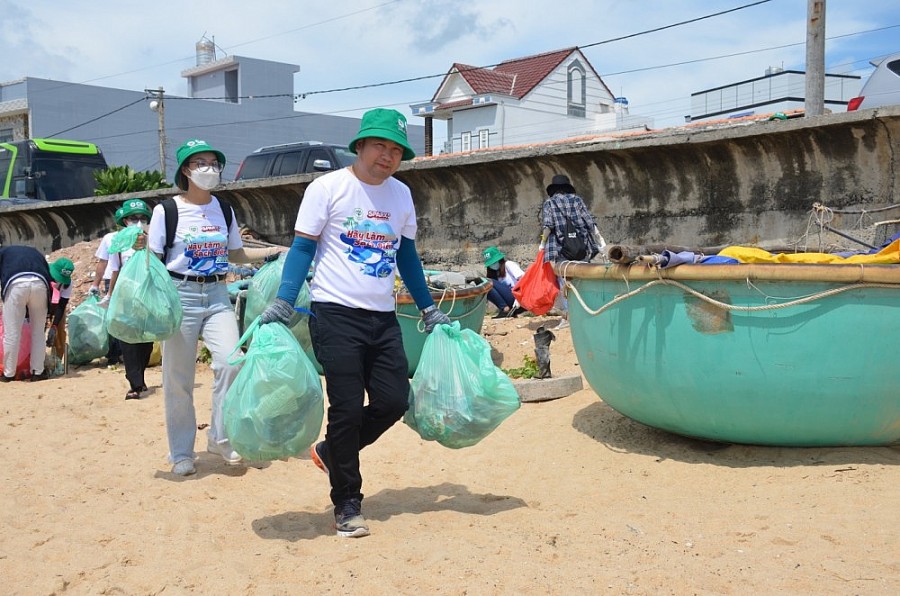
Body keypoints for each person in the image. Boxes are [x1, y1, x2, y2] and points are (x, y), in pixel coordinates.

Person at [260, 108, 451, 538]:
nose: (388, 155)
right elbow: (303, 248)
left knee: (394, 401)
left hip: (383, 318)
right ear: (361, 145)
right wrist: (284, 302)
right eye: (380, 145)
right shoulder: (328, 188)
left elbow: (406, 256)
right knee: (345, 409)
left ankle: (332, 452)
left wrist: (427, 307)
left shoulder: (401, 195)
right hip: (335, 315)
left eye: (396, 149)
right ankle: (347, 501)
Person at [146, 139, 283, 477]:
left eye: (213, 162)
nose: (209, 169)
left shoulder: (224, 209)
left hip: (219, 294)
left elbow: (235, 254)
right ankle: (180, 451)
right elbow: (152, 260)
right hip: (180, 295)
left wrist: (274, 251)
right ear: (185, 171)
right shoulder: (167, 211)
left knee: (231, 361)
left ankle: (220, 438)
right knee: (178, 378)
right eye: (200, 163)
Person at [1, 246, 73, 382]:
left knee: (12, 333)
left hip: (16, 285)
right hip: (40, 286)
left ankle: (8, 374)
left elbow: (60, 305)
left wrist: (54, 326)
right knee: (38, 332)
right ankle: (37, 372)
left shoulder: (4, 254)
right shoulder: (36, 254)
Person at [106, 199, 155, 400]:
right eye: (133, 218)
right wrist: (109, 295)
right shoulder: (117, 242)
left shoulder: (154, 239)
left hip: (148, 293)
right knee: (128, 339)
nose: (138, 222)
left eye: (142, 218)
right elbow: (114, 270)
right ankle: (134, 384)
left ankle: (140, 377)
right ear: (124, 220)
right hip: (126, 295)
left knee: (146, 339)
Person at [540, 174, 601, 329]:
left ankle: (568, 317)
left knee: (565, 282)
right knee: (584, 280)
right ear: (567, 188)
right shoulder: (577, 200)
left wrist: (542, 244)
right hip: (581, 247)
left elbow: (548, 226)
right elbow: (589, 221)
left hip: (561, 249)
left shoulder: (549, 203)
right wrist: (600, 239)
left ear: (554, 189)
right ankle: (588, 314)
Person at [89, 207, 124, 367]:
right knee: (119, 316)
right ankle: (119, 353)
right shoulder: (111, 238)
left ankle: (116, 354)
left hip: (116, 280)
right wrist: (95, 284)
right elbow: (103, 262)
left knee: (115, 316)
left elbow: (103, 262)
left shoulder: (112, 237)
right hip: (116, 279)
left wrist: (96, 284)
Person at [482, 246, 525, 318]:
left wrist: (519, 297)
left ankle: (506, 310)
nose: (493, 265)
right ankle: (505, 310)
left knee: (487, 281)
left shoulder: (508, 265)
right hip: (512, 305)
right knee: (485, 286)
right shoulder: (494, 273)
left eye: (495, 262)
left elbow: (524, 280)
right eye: (491, 264)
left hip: (519, 300)